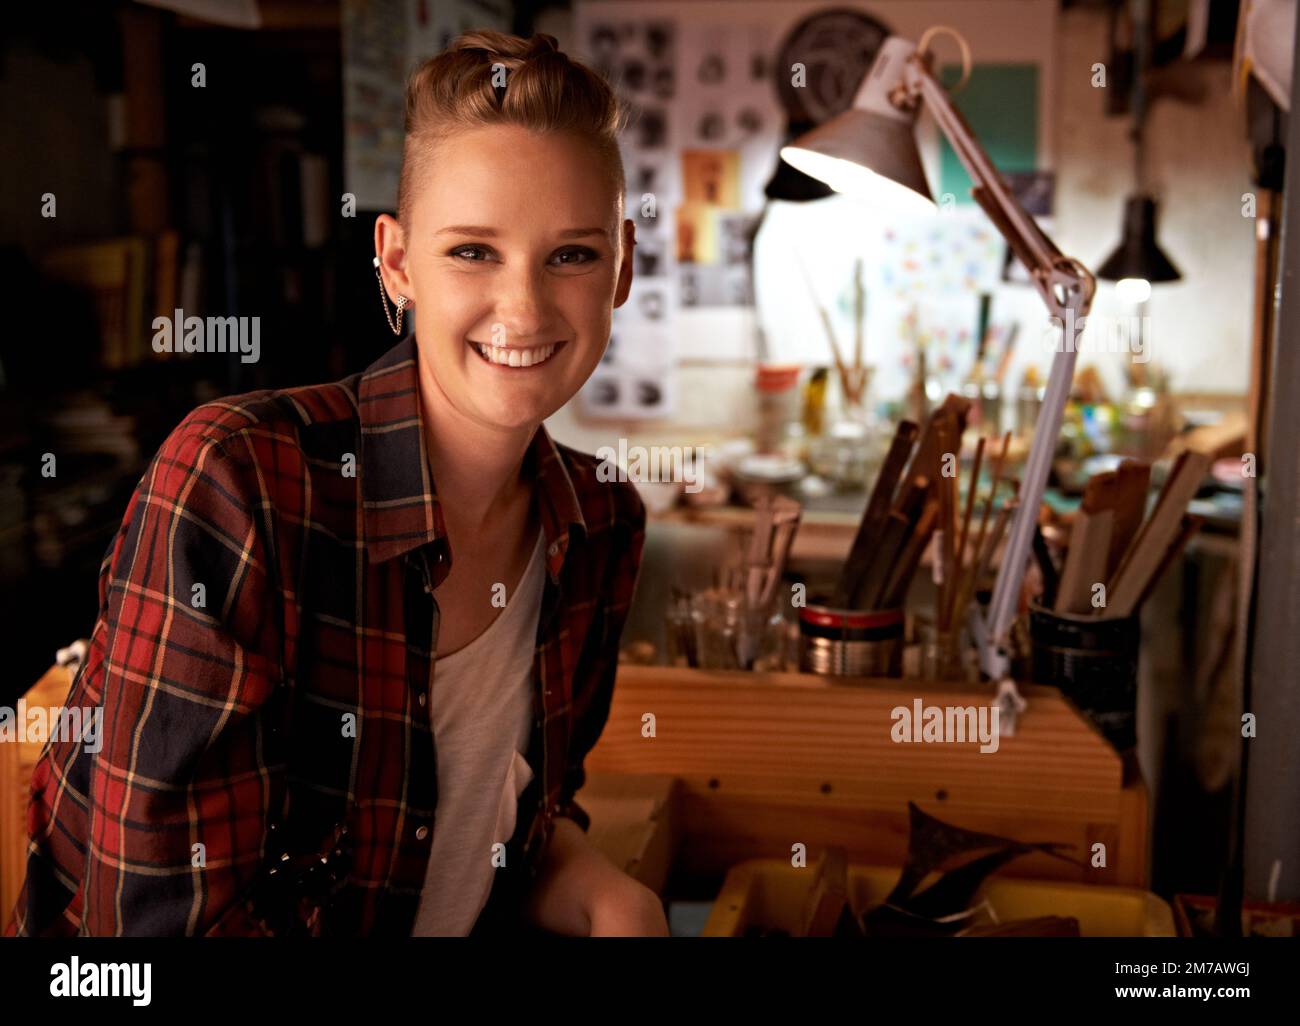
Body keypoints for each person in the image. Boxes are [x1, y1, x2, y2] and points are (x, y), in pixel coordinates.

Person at [7, 29, 666, 938]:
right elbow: (153, 934)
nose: (525, 309)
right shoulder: (240, 482)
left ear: (623, 265)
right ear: (396, 262)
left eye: (572, 255)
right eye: (473, 251)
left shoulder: (601, 526)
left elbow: (509, 827)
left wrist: (608, 897)